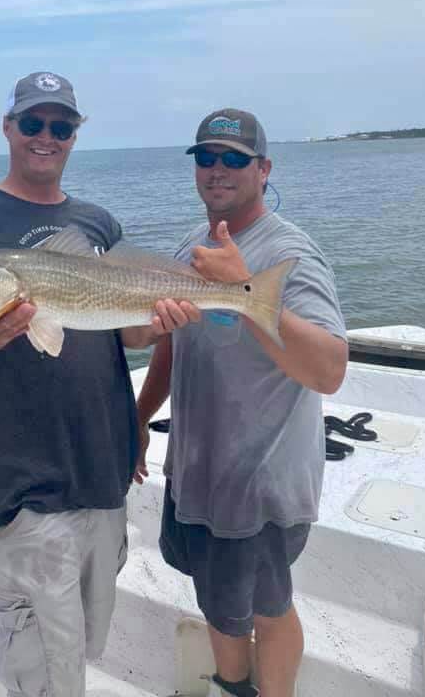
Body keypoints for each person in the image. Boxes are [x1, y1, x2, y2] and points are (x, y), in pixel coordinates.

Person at [0, 71, 199, 697]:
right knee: (42, 662)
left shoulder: (96, 223)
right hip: (28, 480)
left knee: (84, 644)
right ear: (8, 127)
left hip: (106, 468)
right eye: (34, 123)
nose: (47, 136)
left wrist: (160, 325)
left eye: (61, 126)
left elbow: (124, 335)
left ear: (75, 135)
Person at [135, 109, 348, 697]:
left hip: (260, 481)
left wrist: (246, 292)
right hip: (199, 474)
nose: (218, 170)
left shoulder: (288, 254)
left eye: (234, 159)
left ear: (264, 169)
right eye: (206, 157)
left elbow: (329, 369)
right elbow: (172, 346)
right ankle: (234, 687)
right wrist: (139, 418)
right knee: (219, 604)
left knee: (266, 608)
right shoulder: (193, 247)